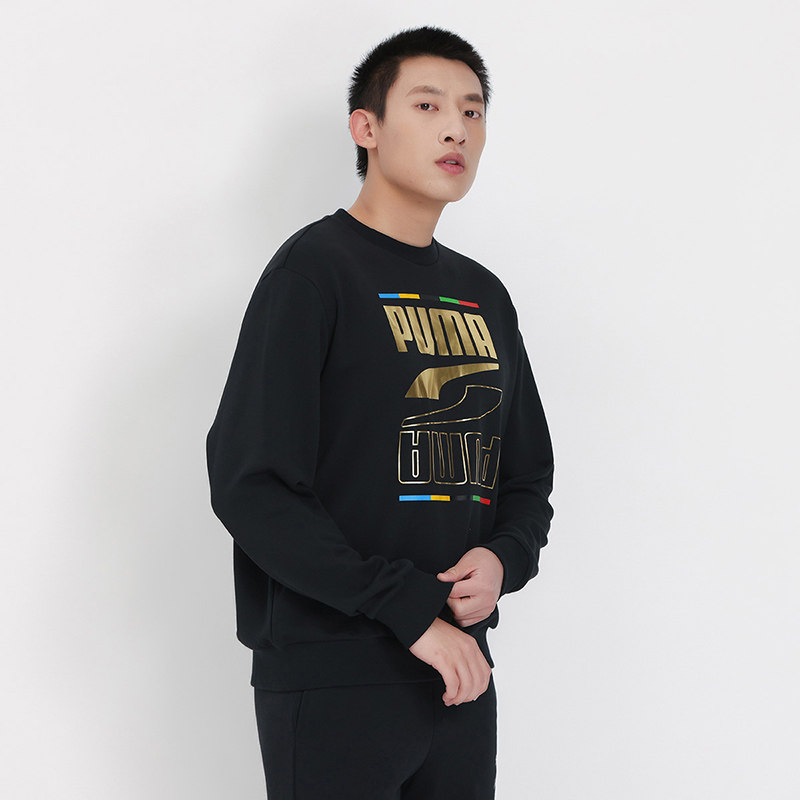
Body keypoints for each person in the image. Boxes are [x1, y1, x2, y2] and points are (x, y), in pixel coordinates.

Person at [205, 25, 554, 800]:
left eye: (472, 110)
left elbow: (528, 476)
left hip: (459, 673)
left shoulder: (483, 296)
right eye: (427, 105)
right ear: (366, 127)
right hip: (335, 671)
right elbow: (252, 485)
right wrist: (408, 614)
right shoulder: (313, 273)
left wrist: (504, 559)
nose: (456, 128)